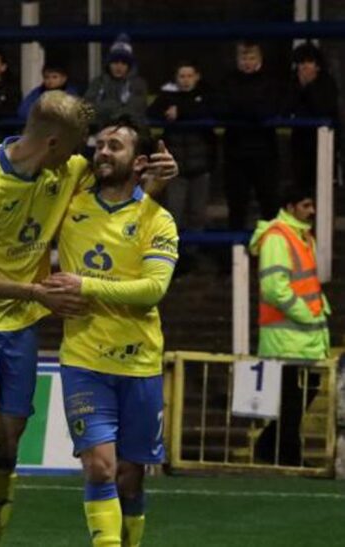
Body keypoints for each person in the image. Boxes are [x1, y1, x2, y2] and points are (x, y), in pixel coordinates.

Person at [0, 90, 177, 547]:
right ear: (54, 144)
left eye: (110, 147)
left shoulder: (73, 179)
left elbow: (130, 213)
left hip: (67, 339)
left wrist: (156, 183)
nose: (90, 156)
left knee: (13, 448)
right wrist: (38, 291)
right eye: (87, 147)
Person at [44, 117, 179, 547]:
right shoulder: (71, 205)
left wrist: (84, 284)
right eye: (99, 145)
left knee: (130, 478)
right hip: (84, 360)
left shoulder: (158, 220)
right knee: (100, 466)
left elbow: (153, 290)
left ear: (139, 161)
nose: (103, 152)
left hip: (139, 363)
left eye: (115, 146)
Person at [250, 186, 330, 466]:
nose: (312, 211)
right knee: (293, 401)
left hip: (298, 336)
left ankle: (271, 450)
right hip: (287, 335)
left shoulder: (298, 235)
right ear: (291, 206)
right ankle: (286, 455)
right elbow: (275, 289)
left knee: (295, 399)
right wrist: (309, 315)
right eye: (306, 205)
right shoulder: (279, 237)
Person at [147, 61, 216, 233]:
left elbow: (214, 110)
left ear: (197, 77)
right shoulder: (167, 96)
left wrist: (181, 112)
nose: (186, 80)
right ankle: (172, 257)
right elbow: (151, 112)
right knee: (172, 215)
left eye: (190, 76)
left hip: (200, 167)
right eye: (182, 76)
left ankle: (194, 256)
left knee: (198, 215)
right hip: (175, 169)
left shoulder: (206, 94)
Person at [219, 41, 279, 230]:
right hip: (236, 155)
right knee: (237, 207)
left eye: (251, 57)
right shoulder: (228, 81)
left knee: (269, 206)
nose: (247, 62)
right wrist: (250, 106)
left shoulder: (270, 81)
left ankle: (273, 253)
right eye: (244, 57)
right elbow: (223, 108)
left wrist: (242, 106)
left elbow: (266, 110)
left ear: (259, 59)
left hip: (264, 154)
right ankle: (235, 256)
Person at [284, 42, 340, 192]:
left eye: (309, 62)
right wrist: (300, 86)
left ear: (317, 65)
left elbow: (323, 108)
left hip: (324, 143)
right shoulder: (293, 83)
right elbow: (286, 108)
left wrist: (309, 86)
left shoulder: (327, 83)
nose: (304, 67)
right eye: (301, 63)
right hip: (300, 144)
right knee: (301, 188)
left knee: (324, 190)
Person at [84, 34, 148, 130]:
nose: (119, 67)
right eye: (115, 62)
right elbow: (87, 109)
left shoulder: (138, 83)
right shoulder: (98, 82)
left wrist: (104, 110)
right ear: (109, 64)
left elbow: (134, 110)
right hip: (100, 130)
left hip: (130, 131)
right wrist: (117, 107)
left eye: (123, 63)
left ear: (129, 66)